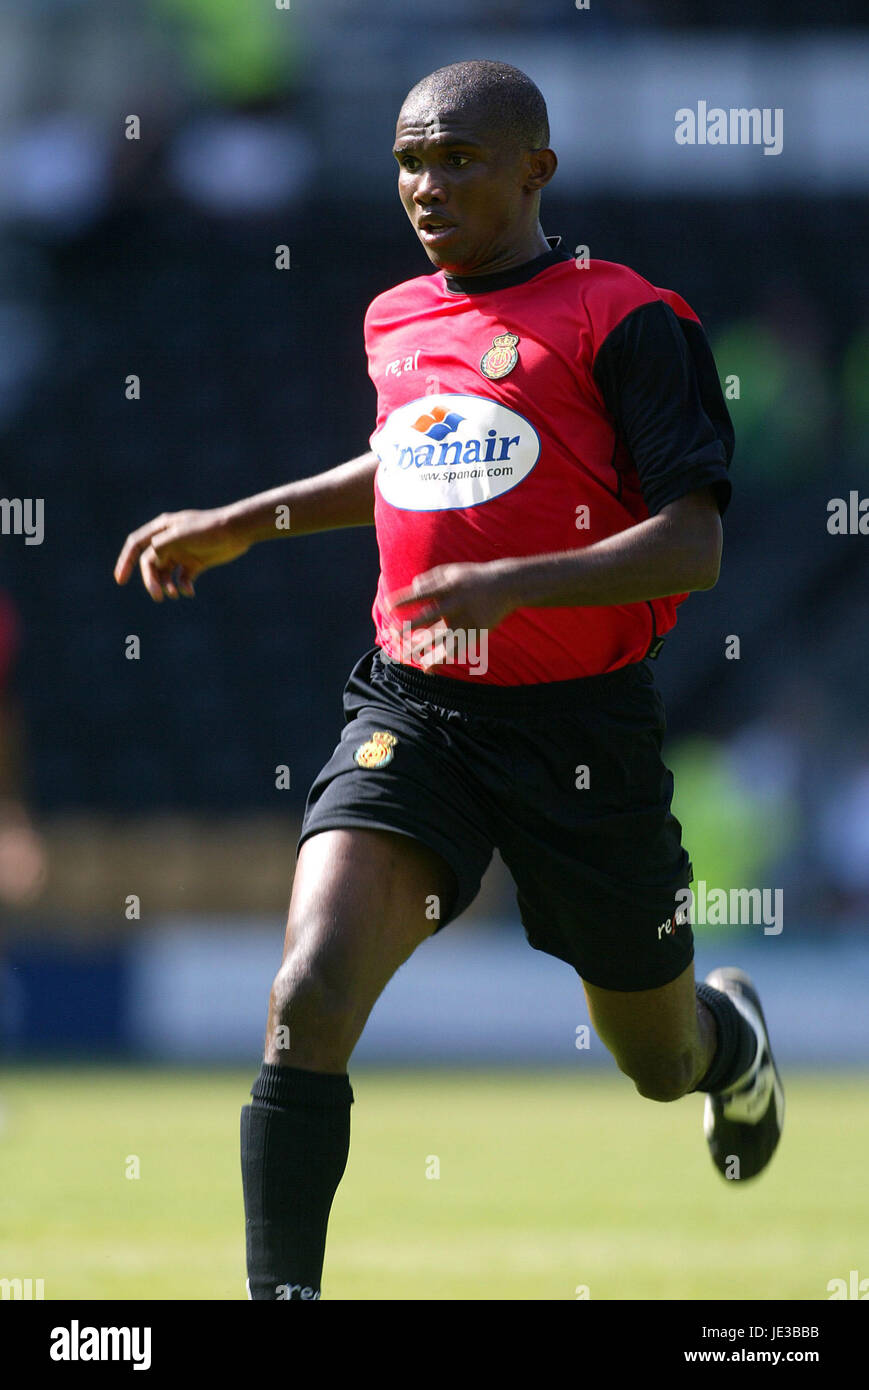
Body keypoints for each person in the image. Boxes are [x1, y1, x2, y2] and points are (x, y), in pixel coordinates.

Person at [114, 60, 784, 1301]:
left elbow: (695, 540)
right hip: (417, 708)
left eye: (458, 158)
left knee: (655, 1057)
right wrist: (242, 519)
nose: (426, 185)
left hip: (583, 730)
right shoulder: (394, 318)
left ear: (535, 168)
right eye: (410, 162)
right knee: (305, 994)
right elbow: (405, 461)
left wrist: (516, 582)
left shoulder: (625, 315)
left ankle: (727, 1042)